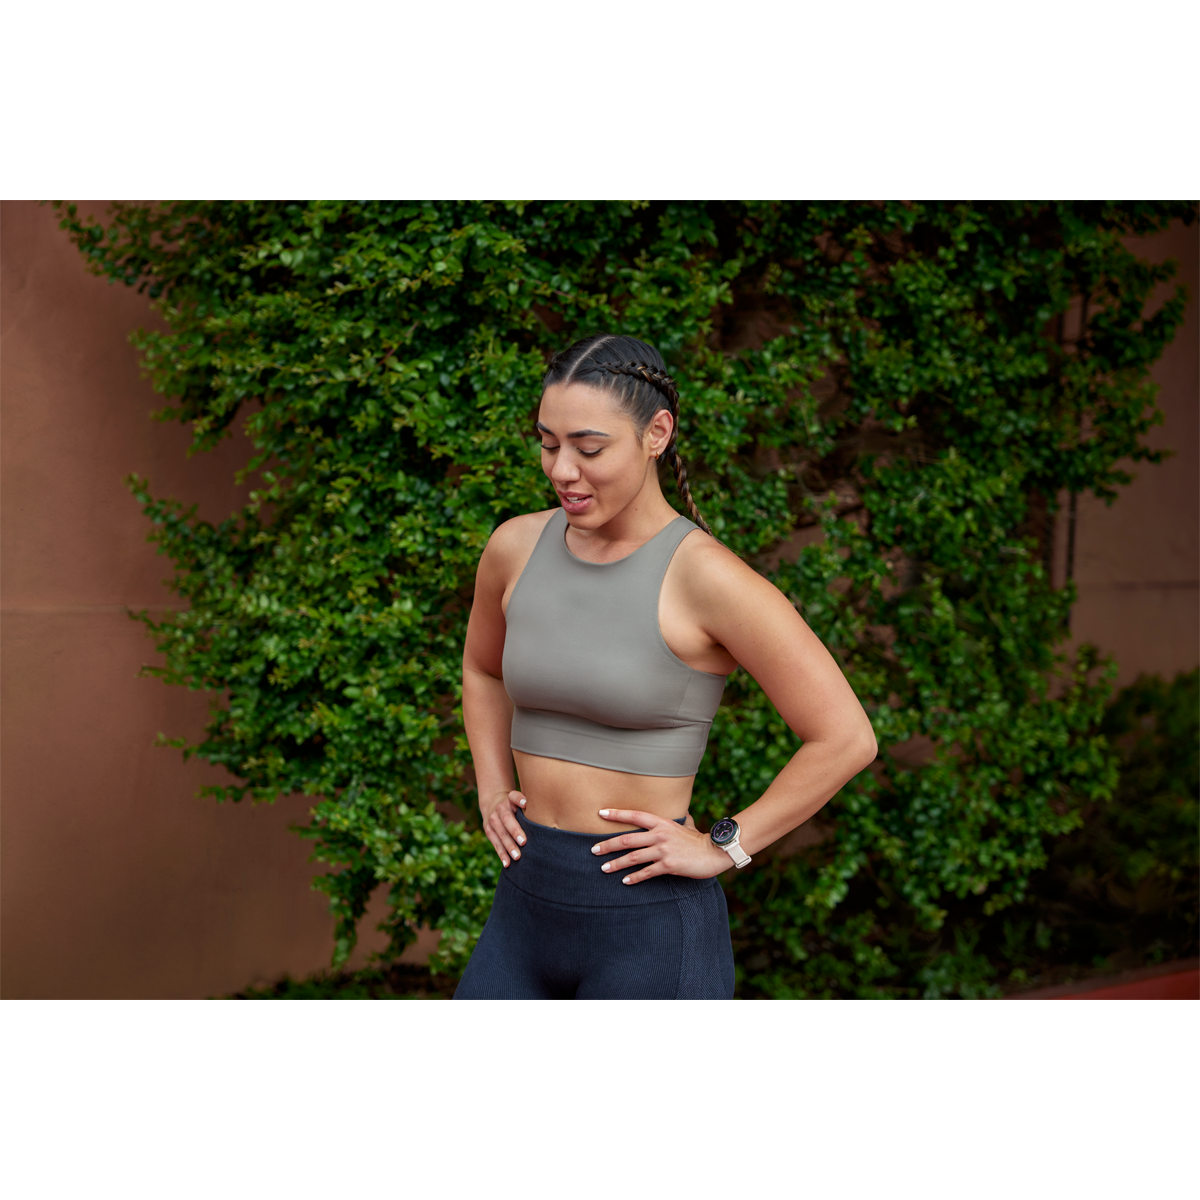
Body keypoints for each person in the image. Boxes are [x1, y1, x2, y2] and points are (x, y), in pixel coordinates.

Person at [454, 333, 877, 999]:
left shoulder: (708, 578)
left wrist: (723, 845)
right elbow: (482, 671)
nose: (562, 469)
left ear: (657, 434)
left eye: (589, 448)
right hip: (523, 907)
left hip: (648, 927)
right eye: (548, 443)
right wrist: (489, 787)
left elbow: (846, 737)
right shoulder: (514, 547)